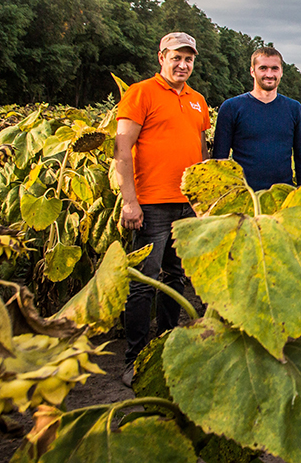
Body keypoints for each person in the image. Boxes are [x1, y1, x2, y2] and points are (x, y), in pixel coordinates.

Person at [115, 32, 210, 386]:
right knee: (143, 283)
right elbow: (123, 149)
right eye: (176, 57)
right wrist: (129, 200)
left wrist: (203, 200)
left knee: (176, 278)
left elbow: (200, 153)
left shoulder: (198, 100)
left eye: (188, 59)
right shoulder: (140, 93)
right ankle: (135, 359)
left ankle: (168, 347)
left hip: (186, 205)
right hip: (150, 204)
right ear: (161, 57)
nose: (182, 64)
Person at [212, 46, 301, 190]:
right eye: (263, 68)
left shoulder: (294, 109)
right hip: (244, 195)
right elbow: (220, 159)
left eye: (274, 68)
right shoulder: (232, 107)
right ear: (252, 71)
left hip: (282, 194)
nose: (269, 74)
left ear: (281, 72)